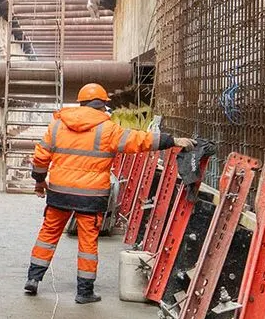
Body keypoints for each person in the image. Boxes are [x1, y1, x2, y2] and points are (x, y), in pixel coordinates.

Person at [27, 83, 188, 303]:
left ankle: (33, 280)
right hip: (91, 197)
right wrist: (172, 141)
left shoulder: (57, 125)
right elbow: (140, 140)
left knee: (48, 235)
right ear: (102, 105)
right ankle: (84, 292)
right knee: (87, 244)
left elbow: (41, 157)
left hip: (60, 192)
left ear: (81, 102)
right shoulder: (108, 129)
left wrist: (39, 182)